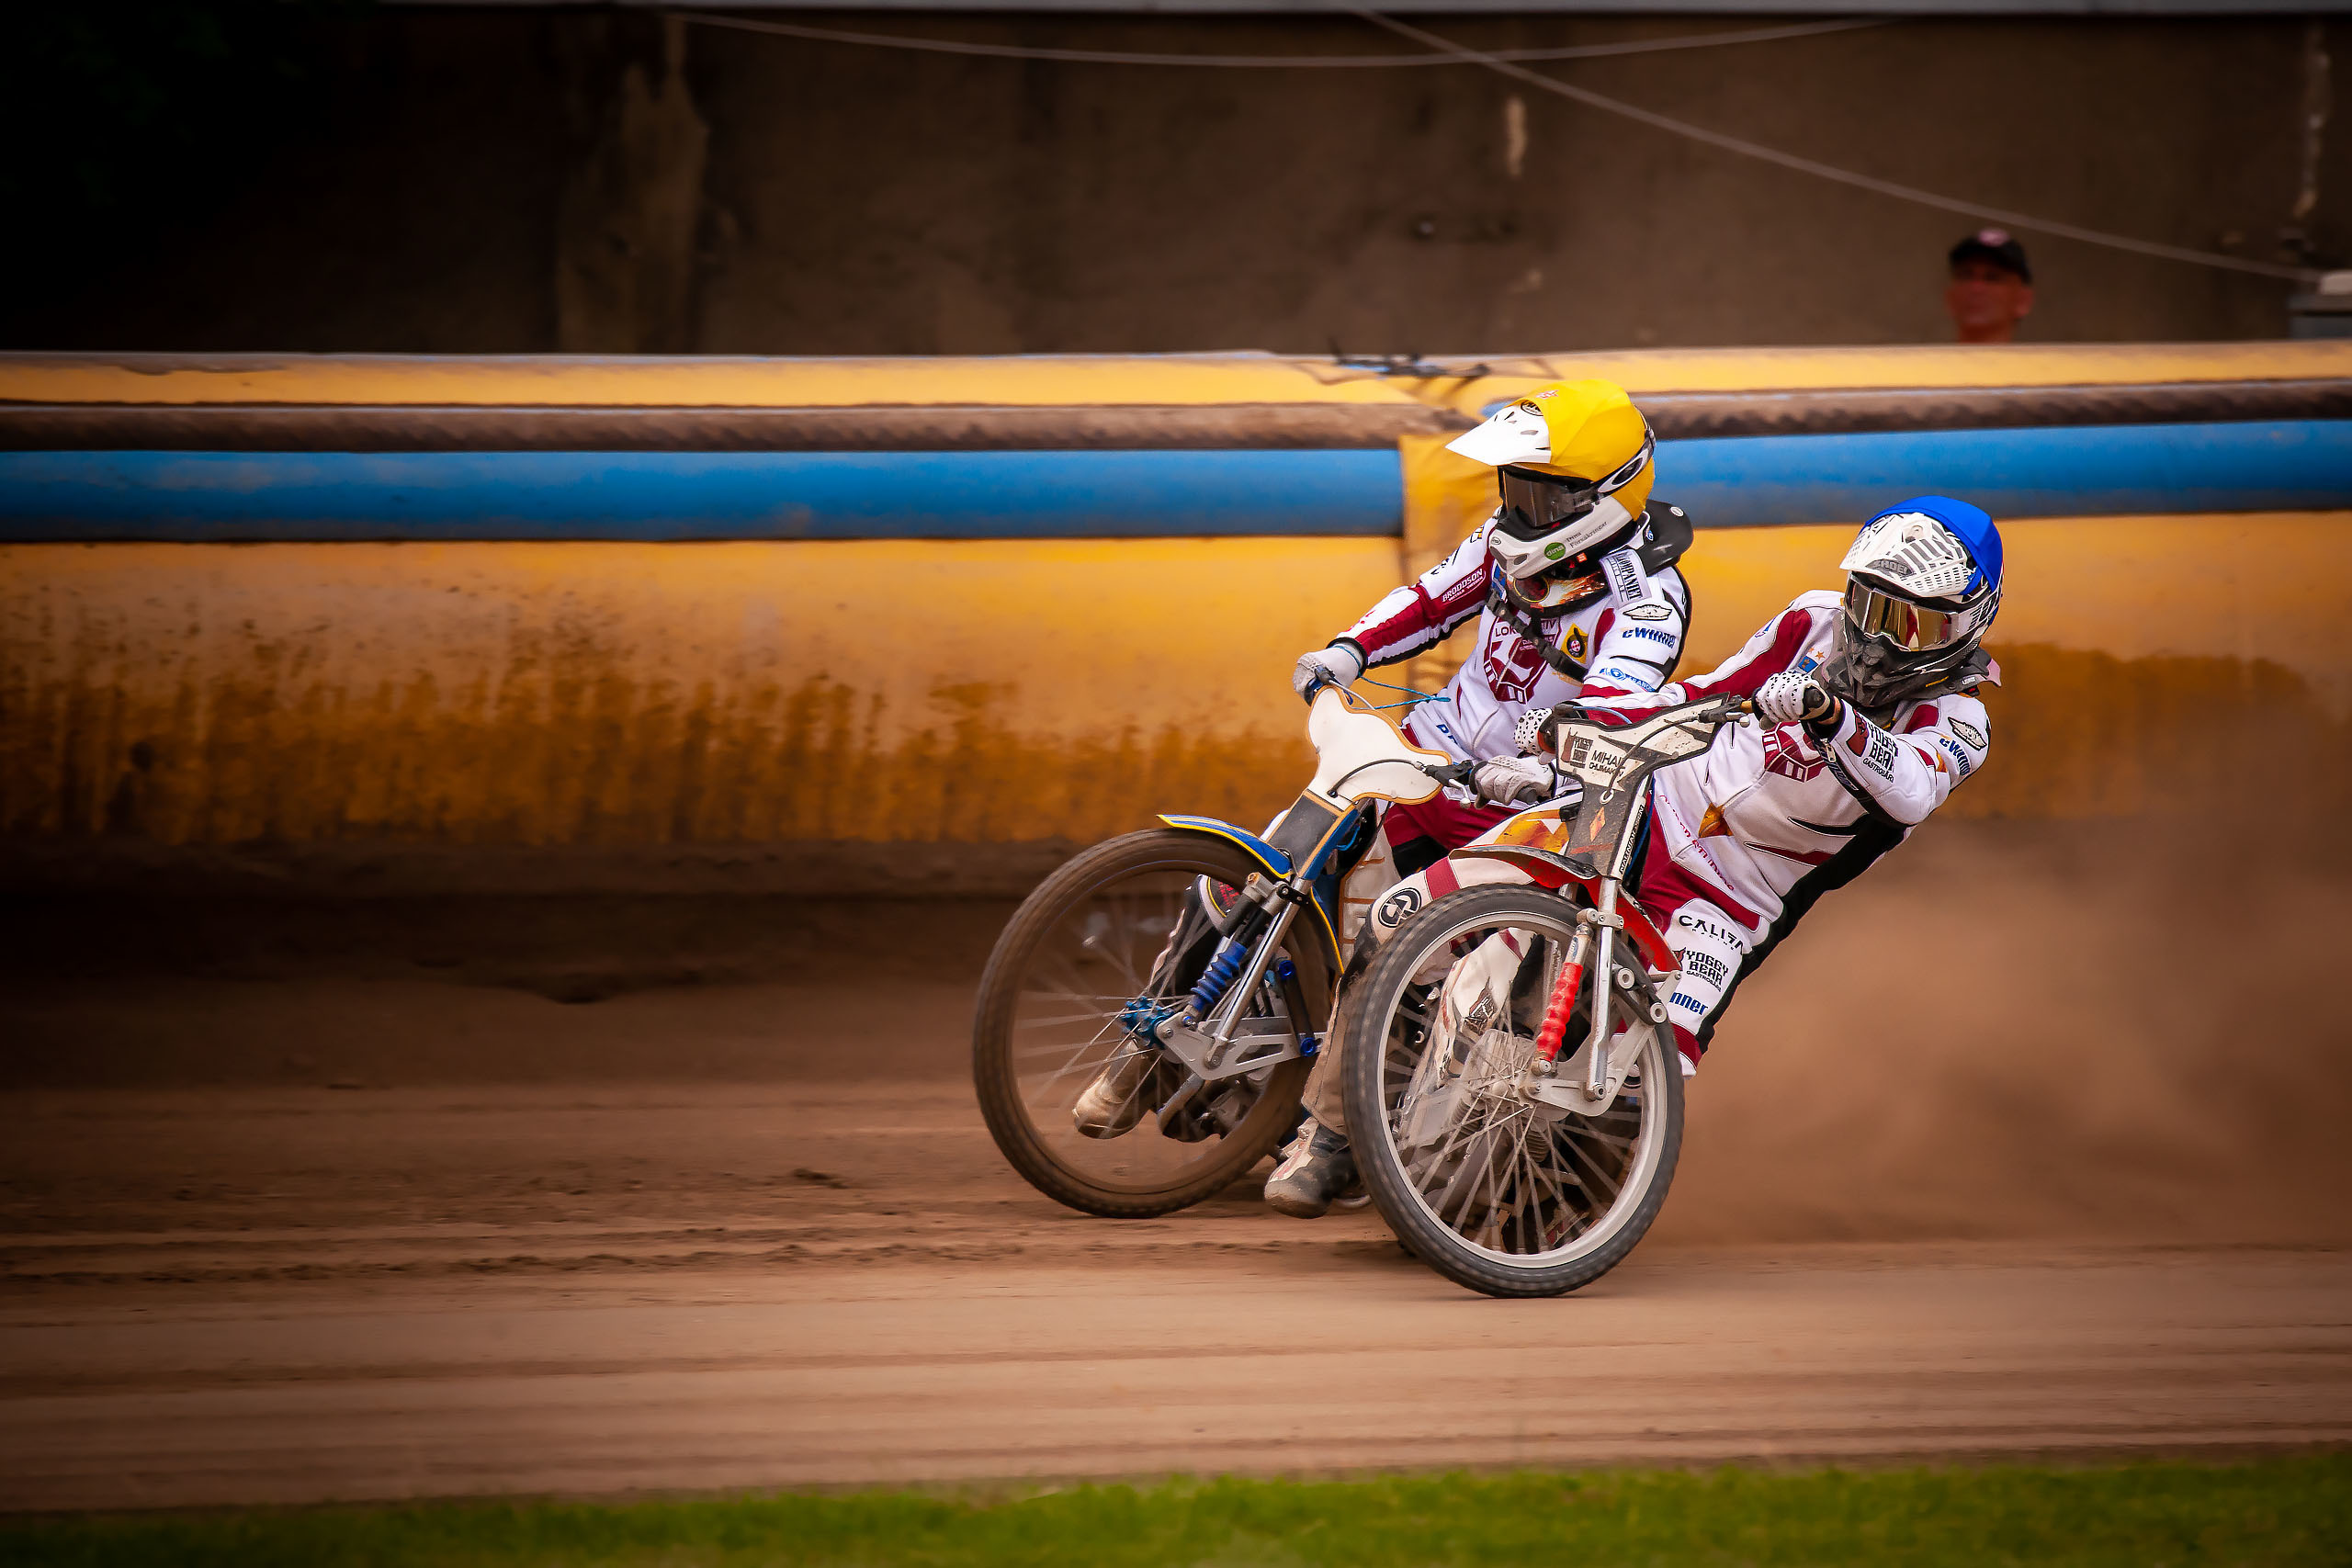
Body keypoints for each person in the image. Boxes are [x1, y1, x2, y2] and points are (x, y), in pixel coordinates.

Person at [1264, 495, 2002, 1217]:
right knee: (1410, 919)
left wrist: (1831, 716)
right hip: (1636, 807)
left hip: (1725, 905)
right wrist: (1575, 741)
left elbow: (1908, 789)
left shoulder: (1962, 721)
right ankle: (1331, 1135)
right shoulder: (1812, 620)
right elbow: (1706, 693)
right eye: (1869, 606)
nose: (1877, 639)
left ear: (1968, 625)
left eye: (1911, 622)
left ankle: (1551, 1218)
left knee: (1650, 1071)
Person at [1071, 378, 1694, 1143]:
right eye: (1514, 488)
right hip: (1429, 760)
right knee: (1267, 870)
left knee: (1407, 952)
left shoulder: (1647, 605)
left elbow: (1609, 713)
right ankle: (1155, 1053)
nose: (1517, 509)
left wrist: (1539, 763)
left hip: (1517, 812)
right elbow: (1430, 601)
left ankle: (1352, 1130)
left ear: (1601, 498)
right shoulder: (1503, 545)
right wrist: (1348, 648)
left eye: (1540, 495)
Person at [1946, 228, 2034, 344]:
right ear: (1950, 297)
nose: (1976, 288)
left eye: (1993, 277)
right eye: (1966, 276)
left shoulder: (2049, 362)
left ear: (2023, 300)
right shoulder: (1921, 361)